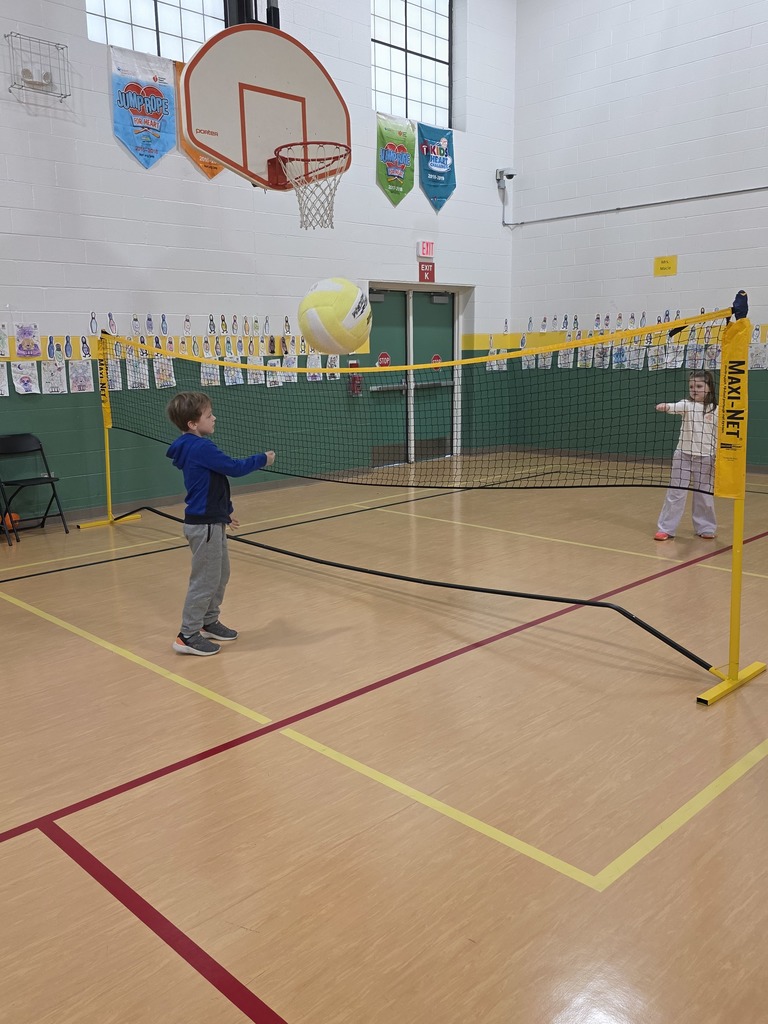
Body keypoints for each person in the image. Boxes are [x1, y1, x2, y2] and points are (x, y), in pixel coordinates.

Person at [166, 392, 276, 656]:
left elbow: (210, 484)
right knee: (205, 580)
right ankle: (188, 635)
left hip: (212, 521)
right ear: (193, 423)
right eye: (208, 415)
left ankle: (208, 621)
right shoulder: (201, 447)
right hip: (204, 527)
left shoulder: (191, 446)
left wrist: (225, 512)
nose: (213, 417)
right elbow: (232, 468)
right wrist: (263, 458)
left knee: (220, 574)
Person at [654, 369, 717, 541]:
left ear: (709, 388)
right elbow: (675, 407)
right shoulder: (687, 405)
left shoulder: (716, 410)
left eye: (699, 386)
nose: (694, 389)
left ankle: (706, 527)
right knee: (676, 493)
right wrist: (666, 406)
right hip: (683, 457)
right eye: (691, 386)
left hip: (706, 458)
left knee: (704, 495)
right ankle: (666, 528)